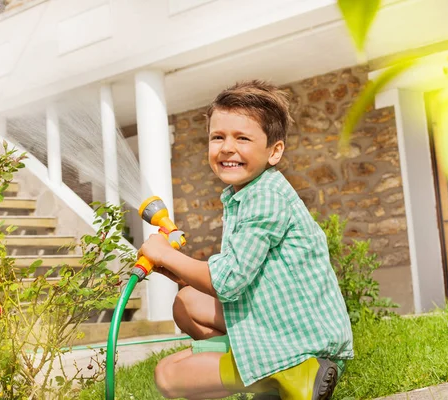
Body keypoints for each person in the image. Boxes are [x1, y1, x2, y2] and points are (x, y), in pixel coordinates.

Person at [139, 80, 354, 400]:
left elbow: (228, 282)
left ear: (274, 151)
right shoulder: (251, 194)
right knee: (186, 303)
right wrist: (178, 270)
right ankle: (275, 383)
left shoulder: (264, 198)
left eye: (242, 138)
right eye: (218, 137)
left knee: (168, 375)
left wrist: (166, 254)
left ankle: (292, 374)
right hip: (285, 322)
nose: (227, 147)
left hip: (302, 341)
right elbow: (237, 273)